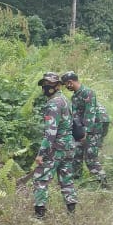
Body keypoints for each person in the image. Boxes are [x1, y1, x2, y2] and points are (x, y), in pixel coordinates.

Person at [32, 72, 78, 217]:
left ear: (58, 85)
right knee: (66, 179)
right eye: (44, 84)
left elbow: (50, 132)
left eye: (50, 84)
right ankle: (72, 212)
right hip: (69, 146)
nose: (46, 87)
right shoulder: (64, 99)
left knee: (40, 178)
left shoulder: (53, 104)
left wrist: (41, 154)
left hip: (56, 147)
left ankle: (40, 213)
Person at [60, 71, 106, 186]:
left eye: (66, 84)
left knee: (90, 158)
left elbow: (90, 114)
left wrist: (86, 132)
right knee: (76, 155)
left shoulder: (87, 92)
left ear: (70, 82)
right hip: (80, 131)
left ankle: (102, 182)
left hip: (92, 130)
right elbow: (75, 116)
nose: (66, 87)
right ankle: (77, 181)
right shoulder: (75, 96)